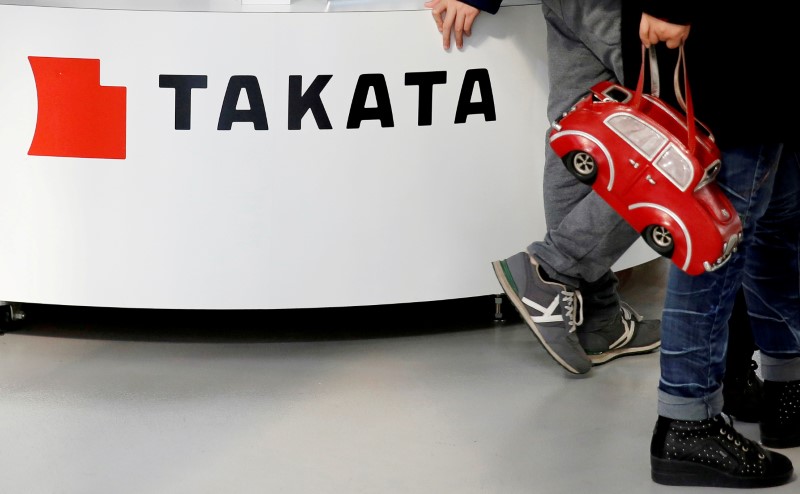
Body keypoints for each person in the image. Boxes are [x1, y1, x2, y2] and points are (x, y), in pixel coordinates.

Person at [637, 4, 800, 488]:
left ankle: (785, 386)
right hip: (726, 45)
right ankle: (687, 419)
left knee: (779, 215)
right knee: (712, 238)